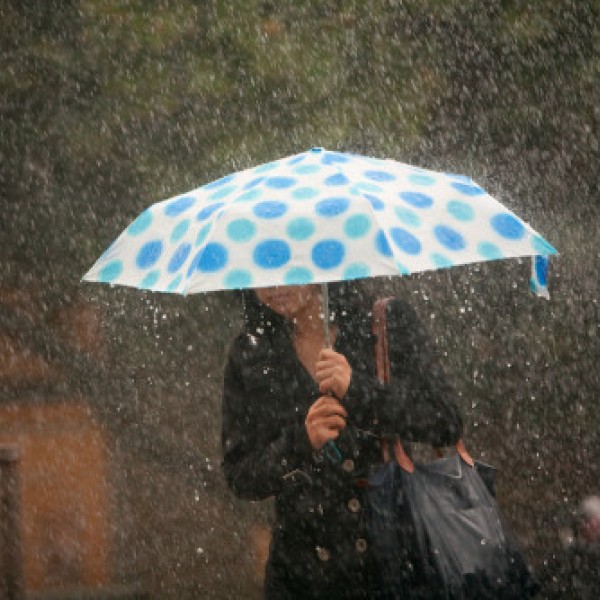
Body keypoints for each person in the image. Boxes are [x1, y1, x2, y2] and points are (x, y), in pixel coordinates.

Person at [221, 283, 462, 599]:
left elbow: (445, 421)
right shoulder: (250, 353)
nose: (274, 286)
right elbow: (241, 476)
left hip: (392, 559)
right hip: (304, 575)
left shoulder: (385, 324)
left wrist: (359, 392)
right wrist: (301, 442)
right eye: (261, 271)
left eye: (287, 265)